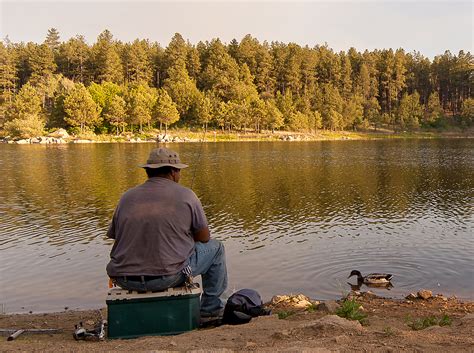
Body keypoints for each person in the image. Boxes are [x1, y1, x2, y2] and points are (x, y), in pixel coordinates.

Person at [106, 147, 228, 319]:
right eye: (178, 170)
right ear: (173, 172)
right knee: (216, 248)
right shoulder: (187, 195)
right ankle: (211, 309)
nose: (179, 174)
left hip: (123, 277)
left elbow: (117, 236)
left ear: (148, 171)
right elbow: (204, 238)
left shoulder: (126, 197)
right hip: (167, 277)